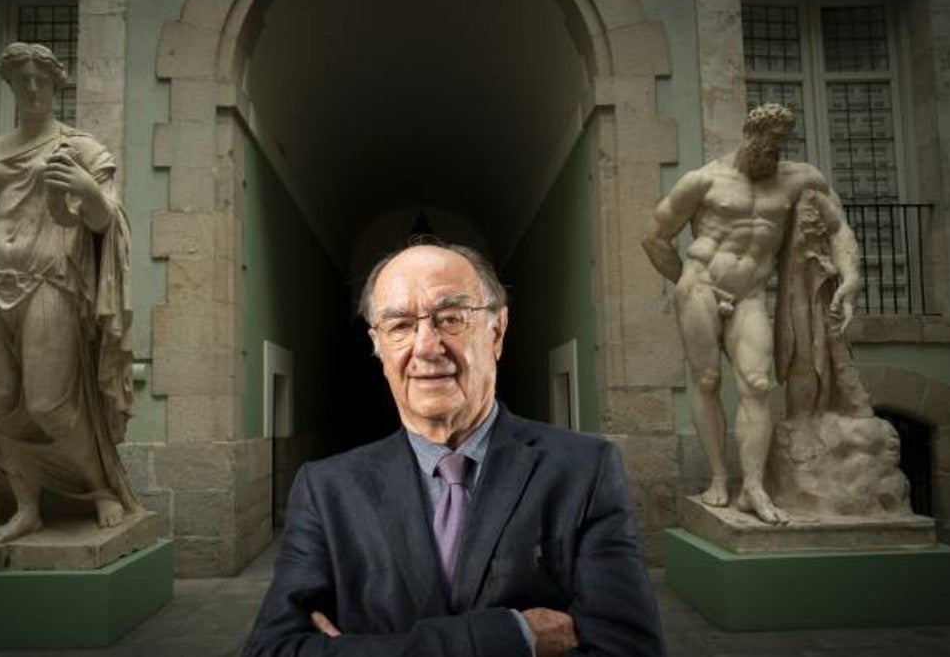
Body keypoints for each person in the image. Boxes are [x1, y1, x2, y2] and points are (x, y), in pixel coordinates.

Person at [243, 239, 663, 656]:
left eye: (450, 318)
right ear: (378, 345)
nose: (426, 346)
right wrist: (513, 637)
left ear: (496, 330)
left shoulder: (584, 471)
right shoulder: (325, 490)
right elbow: (271, 651)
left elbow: (629, 649)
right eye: (400, 325)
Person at [0, 43, 138, 544]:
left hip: (49, 275)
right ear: (10, 86)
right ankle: (27, 505)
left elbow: (108, 223)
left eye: (41, 78)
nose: (33, 87)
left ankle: (101, 487)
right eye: (22, 79)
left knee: (48, 403)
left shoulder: (81, 148)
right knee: (4, 402)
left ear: (57, 84)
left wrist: (87, 188)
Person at [641, 103, 859, 525]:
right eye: (768, 146)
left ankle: (753, 487)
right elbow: (654, 239)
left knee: (757, 384)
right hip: (702, 288)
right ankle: (719, 478)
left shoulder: (800, 179)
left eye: (781, 147)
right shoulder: (702, 181)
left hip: (752, 295)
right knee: (706, 381)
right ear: (750, 138)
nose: (774, 155)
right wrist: (689, 280)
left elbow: (838, 228)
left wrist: (851, 279)